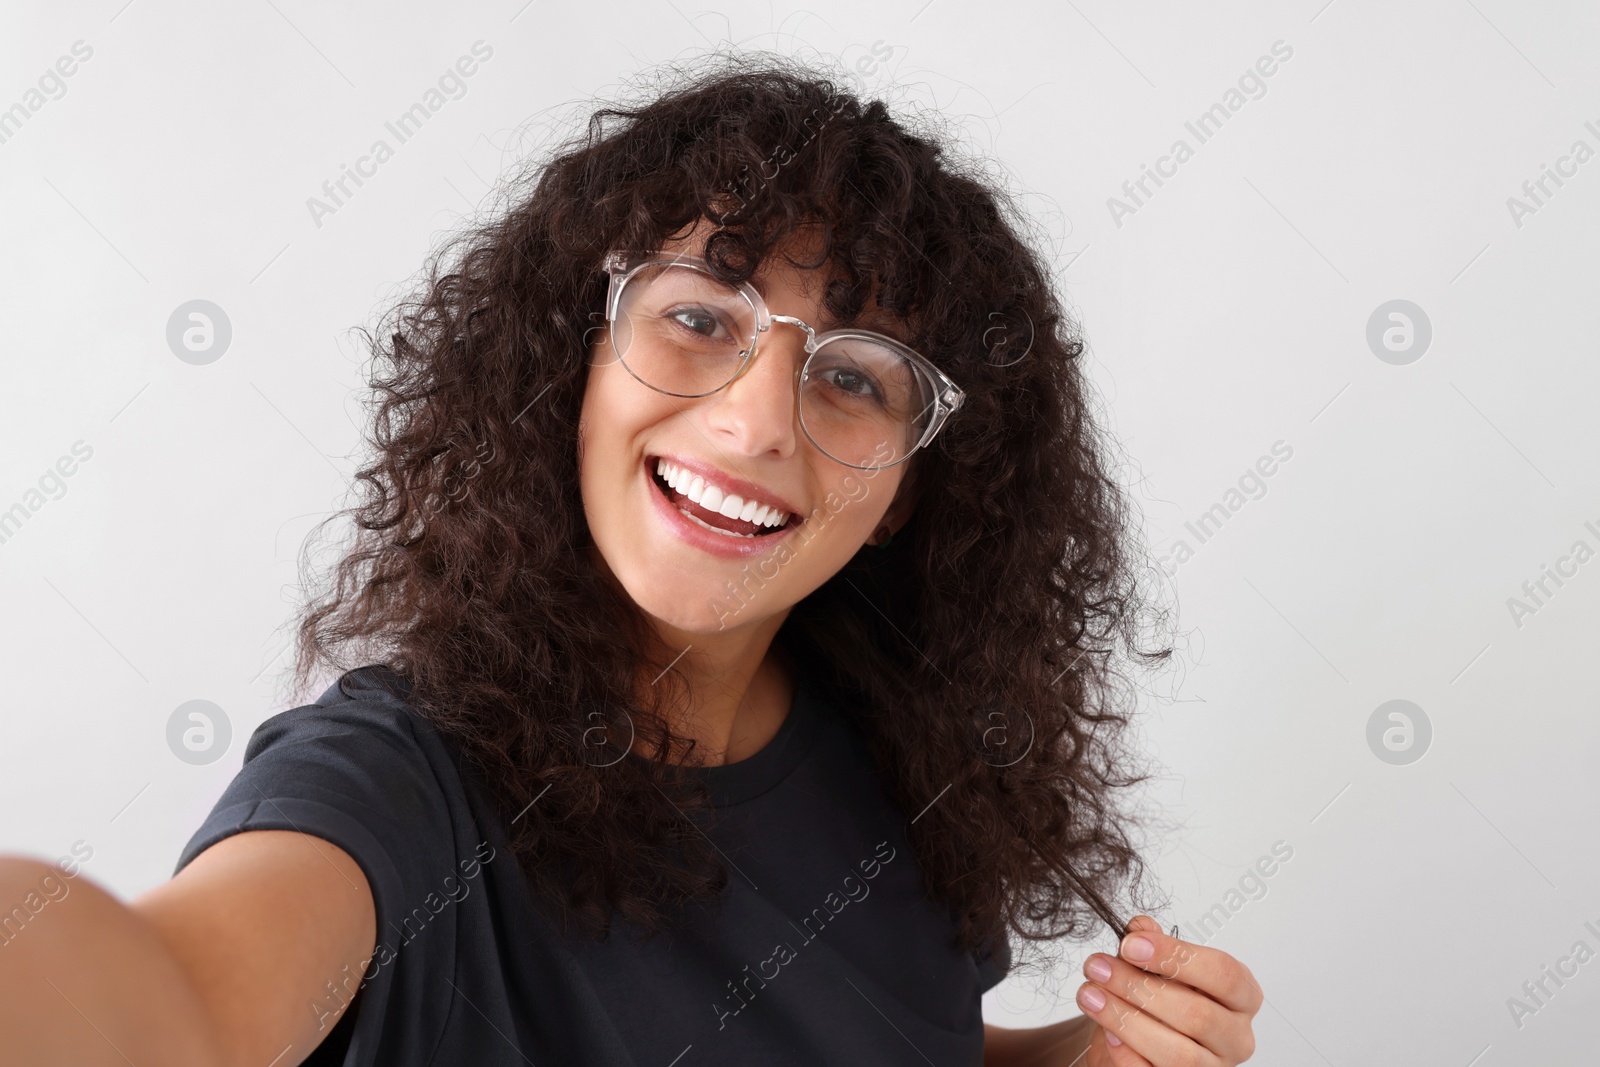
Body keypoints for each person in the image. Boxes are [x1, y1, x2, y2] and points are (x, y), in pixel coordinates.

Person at [0, 52, 1261, 1066]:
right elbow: (170, 1000)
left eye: (855, 377)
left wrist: (1086, 1052)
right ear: (573, 372)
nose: (760, 419)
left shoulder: (908, 761)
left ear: (907, 492)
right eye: (699, 317)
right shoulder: (396, 781)